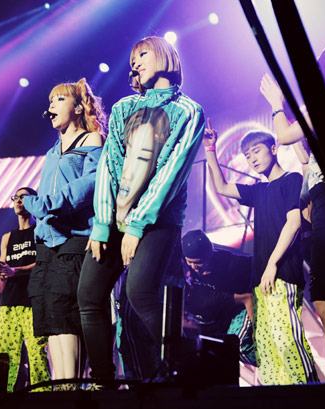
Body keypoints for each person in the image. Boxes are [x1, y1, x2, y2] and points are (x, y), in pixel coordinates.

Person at [77, 36, 205, 384]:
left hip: (158, 220)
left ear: (164, 55)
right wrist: (102, 223)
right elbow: (109, 167)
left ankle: (185, 374)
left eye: (142, 54)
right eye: (132, 59)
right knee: (88, 295)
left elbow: (172, 172)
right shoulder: (123, 108)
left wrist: (136, 225)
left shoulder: (189, 111)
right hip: (116, 217)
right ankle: (104, 382)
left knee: (140, 294)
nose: (134, 63)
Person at [204, 126, 318, 384]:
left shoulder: (291, 180)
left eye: (256, 151)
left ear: (274, 149)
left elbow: (294, 223)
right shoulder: (258, 190)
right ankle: (276, 397)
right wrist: (210, 150)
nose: (252, 158)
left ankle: (308, 394)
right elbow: (221, 187)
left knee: (288, 343)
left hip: (282, 274)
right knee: (268, 350)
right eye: (247, 155)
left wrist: (272, 264)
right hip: (261, 280)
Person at [23, 77, 105, 388]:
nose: (51, 106)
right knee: (48, 314)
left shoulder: (92, 139)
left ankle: (71, 389)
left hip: (75, 237)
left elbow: (91, 184)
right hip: (47, 240)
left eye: (58, 99)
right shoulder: (51, 151)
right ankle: (61, 386)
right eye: (50, 101)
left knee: (64, 309)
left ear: (78, 107)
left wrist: (48, 204)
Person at [260, 45, 325, 351]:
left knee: (324, 298)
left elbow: (285, 136)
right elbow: (305, 158)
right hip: (319, 198)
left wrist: (276, 105)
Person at [0, 187, 50, 392]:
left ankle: (42, 396)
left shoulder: (41, 230)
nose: (18, 200)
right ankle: (3, 396)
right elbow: (3, 264)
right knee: (4, 354)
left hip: (33, 300)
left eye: (23, 197)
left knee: (37, 354)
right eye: (15, 197)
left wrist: (15, 271)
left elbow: (43, 262)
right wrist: (2, 271)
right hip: (9, 301)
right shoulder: (7, 237)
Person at [181, 230, 256, 365]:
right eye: (189, 262)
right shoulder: (186, 271)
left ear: (209, 254)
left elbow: (248, 297)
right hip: (218, 319)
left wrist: (256, 330)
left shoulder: (233, 264)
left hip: (242, 307)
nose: (194, 267)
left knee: (240, 347)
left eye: (199, 262)